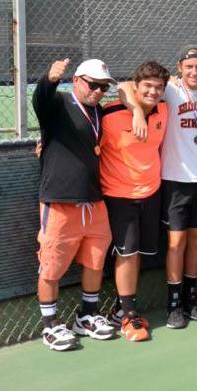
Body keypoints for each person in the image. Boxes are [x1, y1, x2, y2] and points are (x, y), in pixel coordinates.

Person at [32, 58, 116, 350]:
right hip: (59, 201)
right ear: (77, 81)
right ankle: (51, 324)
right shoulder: (58, 104)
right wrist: (49, 79)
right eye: (93, 85)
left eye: (103, 87)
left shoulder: (99, 113)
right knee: (51, 267)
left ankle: (87, 316)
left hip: (94, 201)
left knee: (95, 262)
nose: (97, 91)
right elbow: (40, 100)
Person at [99, 61, 170, 341]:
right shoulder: (110, 115)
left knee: (136, 253)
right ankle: (128, 316)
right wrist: (136, 111)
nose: (153, 91)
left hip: (151, 193)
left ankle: (122, 307)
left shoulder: (164, 108)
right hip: (118, 195)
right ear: (137, 87)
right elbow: (122, 86)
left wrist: (141, 111)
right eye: (147, 86)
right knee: (126, 254)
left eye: (159, 87)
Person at [161, 45, 197, 328]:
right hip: (175, 178)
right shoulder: (169, 89)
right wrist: (134, 112)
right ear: (179, 68)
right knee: (176, 242)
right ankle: (173, 304)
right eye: (189, 67)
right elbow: (127, 87)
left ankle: (191, 298)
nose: (194, 72)